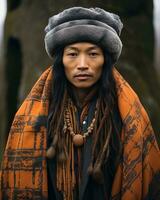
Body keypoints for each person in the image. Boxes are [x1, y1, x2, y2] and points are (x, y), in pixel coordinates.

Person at [0, 7, 160, 200]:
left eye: (93, 54)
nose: (82, 64)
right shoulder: (34, 116)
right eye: (73, 54)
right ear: (61, 61)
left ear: (105, 60)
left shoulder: (127, 116)